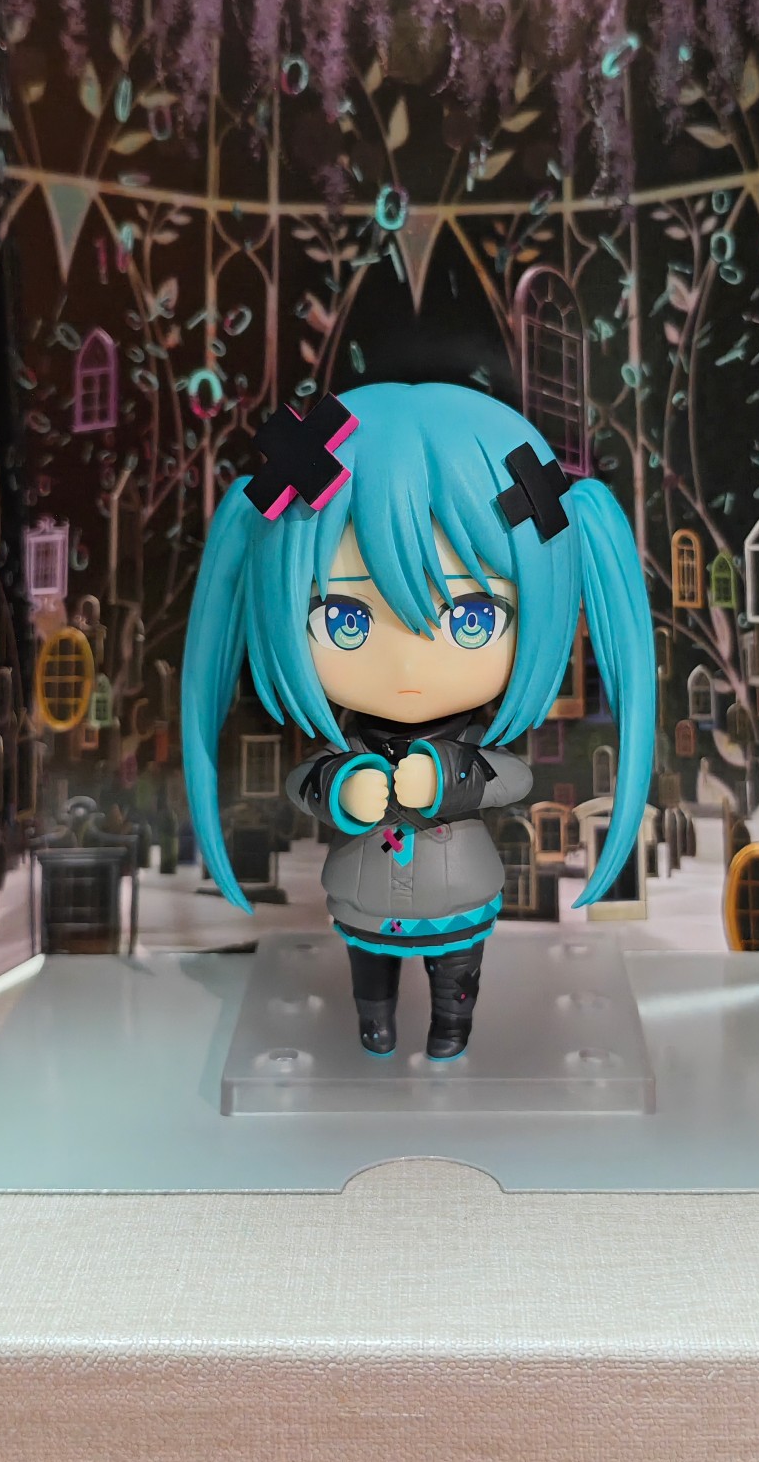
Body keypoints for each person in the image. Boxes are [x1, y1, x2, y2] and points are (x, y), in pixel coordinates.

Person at [183, 381, 655, 1059]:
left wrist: (449, 778)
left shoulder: (471, 742)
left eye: (472, 618)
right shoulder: (347, 740)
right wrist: (339, 790)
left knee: (456, 980)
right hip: (363, 898)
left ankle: (450, 1030)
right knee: (369, 981)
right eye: (345, 619)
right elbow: (303, 782)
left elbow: (511, 777)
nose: (408, 662)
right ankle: (374, 1023)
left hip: (457, 891)